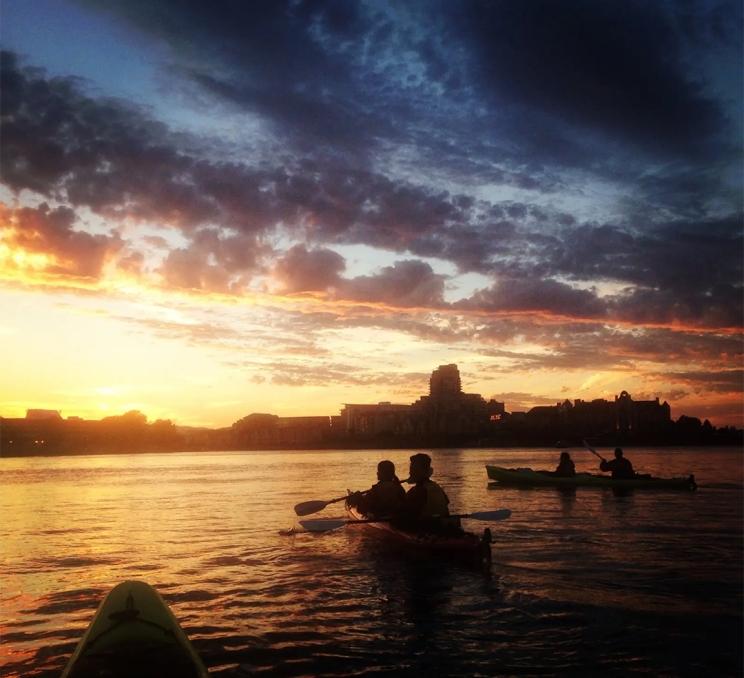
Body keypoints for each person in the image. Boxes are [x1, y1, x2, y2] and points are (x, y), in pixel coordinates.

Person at [399, 453, 460, 531]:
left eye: (413, 470)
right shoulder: (437, 486)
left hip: (426, 528)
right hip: (440, 527)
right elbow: (446, 509)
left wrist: (397, 489)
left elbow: (403, 512)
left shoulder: (417, 491)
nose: (410, 473)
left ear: (422, 471)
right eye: (411, 469)